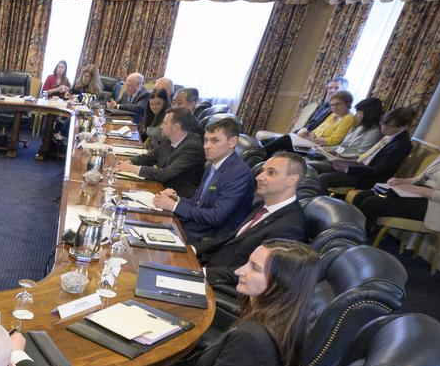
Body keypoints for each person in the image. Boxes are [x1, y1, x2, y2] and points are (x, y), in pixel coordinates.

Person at [96, 239, 318, 366]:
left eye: (254, 268)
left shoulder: (253, 339)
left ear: (279, 285)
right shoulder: (281, 322)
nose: (239, 271)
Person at [352, 118, 440, 236]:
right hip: (419, 194)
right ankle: (351, 233)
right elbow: (421, 178)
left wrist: (416, 189)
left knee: (372, 203)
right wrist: (402, 181)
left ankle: (355, 239)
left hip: (435, 206)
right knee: (363, 195)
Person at [196, 152, 308, 287]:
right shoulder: (263, 205)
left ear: (292, 180)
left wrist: (201, 273)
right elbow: (230, 238)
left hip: (221, 283)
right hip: (208, 264)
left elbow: (256, 272)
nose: (258, 177)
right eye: (262, 171)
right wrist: (192, 249)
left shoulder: (290, 227)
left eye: (271, 173)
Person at [151, 117, 257, 242]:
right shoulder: (213, 166)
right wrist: (176, 199)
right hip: (191, 226)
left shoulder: (239, 174)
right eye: (206, 140)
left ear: (232, 142)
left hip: (206, 238)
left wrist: (174, 206)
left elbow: (216, 217)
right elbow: (197, 202)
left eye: (214, 141)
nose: (206, 146)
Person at [318, 106, 415, 191]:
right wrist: (345, 162)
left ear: (404, 127)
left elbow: (378, 171)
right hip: (359, 166)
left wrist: (347, 169)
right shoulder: (390, 135)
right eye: (383, 124)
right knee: (317, 166)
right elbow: (366, 157)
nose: (383, 128)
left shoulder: (401, 145)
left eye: (389, 126)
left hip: (367, 178)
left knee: (322, 179)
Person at [115, 108, 205, 198]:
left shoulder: (192, 148)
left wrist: (132, 168)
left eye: (165, 123)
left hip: (176, 197)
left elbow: (165, 174)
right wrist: (129, 162)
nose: (161, 127)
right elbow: (148, 158)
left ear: (176, 127)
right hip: (160, 188)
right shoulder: (168, 139)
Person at [265, 89, 355, 156]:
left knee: (286, 139)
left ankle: (260, 154)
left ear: (347, 104)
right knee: (276, 140)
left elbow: (334, 141)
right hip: (311, 143)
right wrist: (307, 134)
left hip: (319, 150)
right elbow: (316, 131)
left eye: (338, 104)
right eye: (332, 105)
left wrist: (311, 139)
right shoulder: (332, 116)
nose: (334, 107)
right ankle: (260, 151)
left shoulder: (348, 118)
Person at [309, 97, 383, 173]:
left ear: (369, 114)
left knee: (309, 166)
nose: (356, 115)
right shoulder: (358, 127)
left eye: (359, 113)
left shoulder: (375, 132)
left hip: (347, 165)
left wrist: (340, 155)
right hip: (336, 158)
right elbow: (343, 145)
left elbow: (361, 155)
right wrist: (330, 150)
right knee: (308, 159)